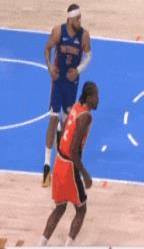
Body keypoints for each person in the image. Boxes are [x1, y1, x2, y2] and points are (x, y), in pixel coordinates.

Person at [40, 81, 99, 247]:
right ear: (89, 97)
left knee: (59, 208)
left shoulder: (75, 107)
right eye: (96, 96)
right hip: (69, 166)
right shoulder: (85, 117)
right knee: (81, 209)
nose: (98, 99)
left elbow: (62, 131)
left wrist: (63, 153)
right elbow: (74, 151)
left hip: (59, 161)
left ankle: (41, 245)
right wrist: (85, 175)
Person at [43, 4, 92, 187]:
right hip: (58, 81)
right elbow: (47, 49)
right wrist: (49, 67)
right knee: (53, 120)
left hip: (71, 84)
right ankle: (46, 165)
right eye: (77, 18)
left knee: (66, 125)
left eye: (80, 18)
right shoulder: (58, 31)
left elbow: (89, 55)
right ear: (70, 19)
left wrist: (78, 70)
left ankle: (61, 161)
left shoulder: (84, 36)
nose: (80, 21)